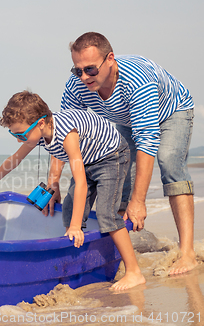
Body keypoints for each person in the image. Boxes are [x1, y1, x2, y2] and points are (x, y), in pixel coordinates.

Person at [0, 90, 145, 290]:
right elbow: (14, 160)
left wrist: (77, 226)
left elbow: (80, 182)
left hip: (112, 157)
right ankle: (82, 258)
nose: (19, 139)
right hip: (88, 159)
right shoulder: (38, 134)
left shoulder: (67, 135)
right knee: (69, 210)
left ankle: (134, 272)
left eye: (21, 134)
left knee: (106, 213)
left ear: (40, 123)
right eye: (14, 134)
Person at [53, 32, 197, 275]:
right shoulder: (77, 85)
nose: (84, 77)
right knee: (118, 167)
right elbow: (64, 131)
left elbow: (147, 143)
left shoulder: (136, 81)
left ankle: (188, 253)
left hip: (173, 110)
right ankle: (118, 247)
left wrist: (138, 202)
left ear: (110, 58)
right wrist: (53, 182)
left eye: (90, 69)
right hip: (128, 118)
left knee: (169, 162)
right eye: (77, 70)